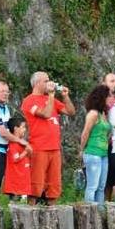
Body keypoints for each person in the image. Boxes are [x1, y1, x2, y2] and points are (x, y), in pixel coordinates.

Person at [22, 71, 76, 204]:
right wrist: (51, 95)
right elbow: (45, 114)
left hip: (54, 148)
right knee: (36, 185)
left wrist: (65, 96)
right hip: (39, 147)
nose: (49, 83)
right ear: (37, 83)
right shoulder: (29, 100)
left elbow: (70, 112)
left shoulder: (50, 99)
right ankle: (30, 213)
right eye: (46, 81)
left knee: (54, 185)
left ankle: (52, 215)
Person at [79, 85, 112, 204]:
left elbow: (107, 133)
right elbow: (85, 133)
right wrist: (82, 150)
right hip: (93, 152)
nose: (111, 98)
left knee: (101, 186)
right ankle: (89, 210)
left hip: (103, 153)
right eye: (108, 96)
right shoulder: (93, 114)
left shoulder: (104, 113)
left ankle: (100, 211)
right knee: (93, 185)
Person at [2, 118, 32, 202]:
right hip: (16, 181)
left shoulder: (22, 143)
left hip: (23, 179)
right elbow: (15, 158)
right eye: (23, 127)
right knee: (15, 203)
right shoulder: (13, 144)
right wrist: (25, 152)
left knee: (23, 202)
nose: (25, 129)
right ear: (15, 128)